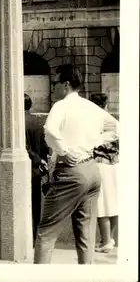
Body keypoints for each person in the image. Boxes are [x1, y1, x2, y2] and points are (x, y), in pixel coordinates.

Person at [34, 64, 119, 264]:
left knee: (46, 233)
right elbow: (117, 128)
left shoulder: (61, 106)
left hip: (70, 172)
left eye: (55, 83)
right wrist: (92, 144)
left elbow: (50, 130)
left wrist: (64, 151)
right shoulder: (91, 107)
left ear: (65, 84)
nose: (53, 87)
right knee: (86, 235)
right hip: (92, 170)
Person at [89, 93, 119, 253]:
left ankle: (106, 241)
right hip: (114, 164)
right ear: (105, 105)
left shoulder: (93, 119)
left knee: (102, 203)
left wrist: (97, 139)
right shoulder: (110, 119)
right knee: (113, 202)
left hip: (101, 164)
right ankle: (109, 239)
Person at [24, 93, 50, 245]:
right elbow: (45, 146)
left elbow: (25, 147)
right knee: (35, 204)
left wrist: (37, 158)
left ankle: (25, 237)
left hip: (24, 167)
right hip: (36, 171)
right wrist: (42, 162)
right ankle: (34, 237)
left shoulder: (17, 123)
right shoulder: (38, 122)